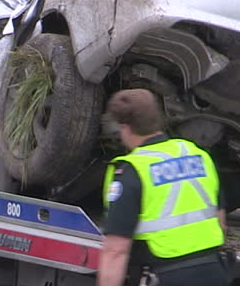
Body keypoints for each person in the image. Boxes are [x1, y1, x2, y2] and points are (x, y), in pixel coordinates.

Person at [97, 89, 228, 286]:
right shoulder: (197, 155)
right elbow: (221, 223)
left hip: (167, 277)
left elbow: (116, 251)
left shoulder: (132, 171)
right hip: (213, 272)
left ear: (125, 127)